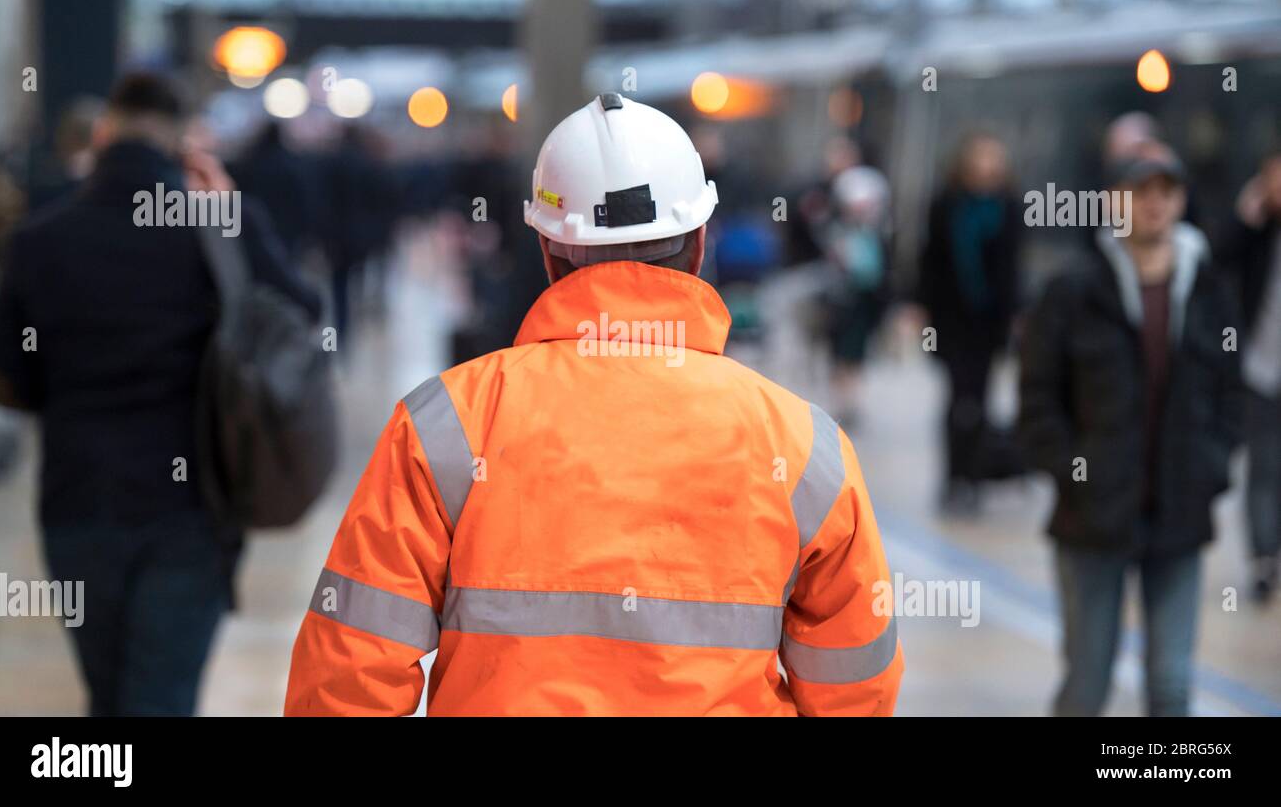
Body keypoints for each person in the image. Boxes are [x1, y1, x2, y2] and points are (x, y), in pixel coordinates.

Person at [284, 93, 903, 716]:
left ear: (548, 251)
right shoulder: (800, 442)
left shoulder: (446, 422)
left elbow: (347, 673)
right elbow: (856, 685)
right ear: (700, 242)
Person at [0, 72, 321, 716]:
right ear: (185, 142)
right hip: (190, 509)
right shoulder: (217, 227)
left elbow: (7, 385)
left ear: (103, 134)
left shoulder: (37, 241)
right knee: (161, 698)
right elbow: (302, 318)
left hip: (77, 504)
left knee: (108, 700)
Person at [1019, 152, 1241, 716]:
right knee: (1088, 683)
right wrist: (1073, 471)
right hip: (1092, 517)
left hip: (1180, 513)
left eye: (1167, 192)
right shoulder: (1074, 290)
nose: (1155, 204)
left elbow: (1230, 391)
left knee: (1170, 683)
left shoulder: (1209, 290)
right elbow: (1037, 395)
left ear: (1181, 202)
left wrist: (1212, 466)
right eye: (1141, 192)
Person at [918, 133, 1022, 515]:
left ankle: (974, 477)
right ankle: (952, 476)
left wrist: (1015, 317)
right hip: (951, 320)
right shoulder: (946, 206)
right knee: (956, 399)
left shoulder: (1007, 207)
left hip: (989, 324)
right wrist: (920, 309)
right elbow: (929, 262)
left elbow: (1013, 268)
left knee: (980, 400)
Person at [1217, 151, 1281, 602]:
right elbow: (1216, 261)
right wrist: (1246, 219)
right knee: (1262, 466)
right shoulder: (1256, 232)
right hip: (1261, 366)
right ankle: (1263, 558)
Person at [820, 165, 891, 425]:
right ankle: (842, 401)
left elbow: (883, 272)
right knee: (840, 353)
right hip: (841, 302)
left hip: (865, 302)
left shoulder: (878, 235)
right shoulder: (835, 232)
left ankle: (852, 402)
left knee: (857, 353)